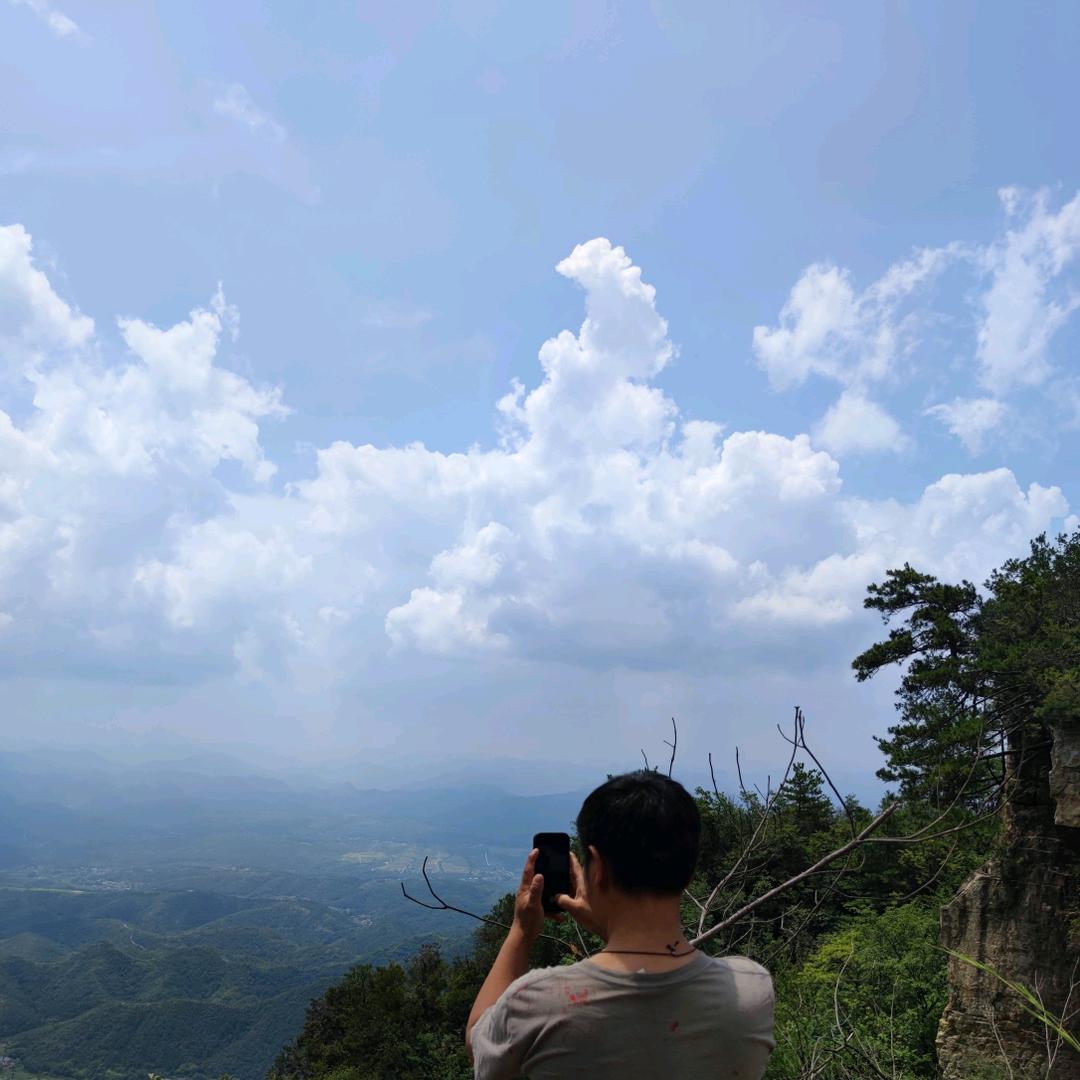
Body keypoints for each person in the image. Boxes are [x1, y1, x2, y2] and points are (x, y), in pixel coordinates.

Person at [465, 770, 775, 1078]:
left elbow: (477, 1042)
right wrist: (610, 929)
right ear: (689, 870)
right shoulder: (751, 991)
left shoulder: (538, 1004)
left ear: (596, 867)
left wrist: (521, 931)